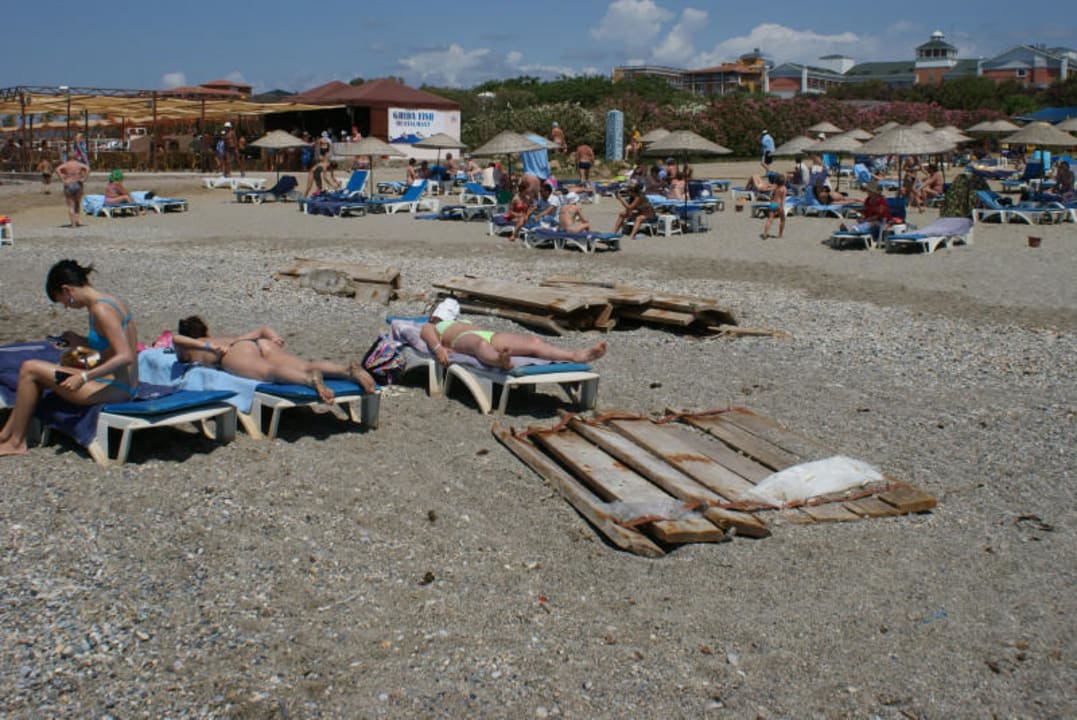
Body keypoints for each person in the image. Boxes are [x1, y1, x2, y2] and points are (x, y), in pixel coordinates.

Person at [0, 260, 139, 457]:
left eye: (63, 301)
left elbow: (125, 356)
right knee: (44, 369)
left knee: (30, 368)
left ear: (67, 290)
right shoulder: (107, 302)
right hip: (118, 382)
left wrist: (84, 377)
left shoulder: (101, 310)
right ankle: (7, 434)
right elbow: (111, 347)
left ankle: (15, 441)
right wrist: (79, 340)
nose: (66, 307)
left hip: (117, 388)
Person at [172, 316, 376, 400]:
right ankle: (344, 370)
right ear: (205, 330)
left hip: (234, 352)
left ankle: (308, 380)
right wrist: (273, 338)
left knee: (269, 373)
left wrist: (208, 346)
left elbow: (175, 338)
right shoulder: (216, 338)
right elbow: (262, 329)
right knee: (306, 364)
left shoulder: (188, 349)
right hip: (256, 343)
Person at [420, 298, 606, 371]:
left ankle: (574, 355)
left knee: (533, 341)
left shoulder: (461, 321)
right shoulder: (433, 326)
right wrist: (438, 349)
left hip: (488, 334)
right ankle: (500, 360)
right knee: (480, 346)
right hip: (459, 340)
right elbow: (426, 332)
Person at [54, 155, 90, 227]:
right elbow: (88, 168)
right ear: (75, 157)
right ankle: (77, 221)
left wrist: (62, 178)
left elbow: (57, 169)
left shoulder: (66, 164)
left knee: (71, 205)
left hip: (69, 183)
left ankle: (73, 224)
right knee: (77, 203)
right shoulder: (79, 164)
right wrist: (84, 178)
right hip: (78, 183)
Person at [761, 175, 787, 239]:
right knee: (782, 219)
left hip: (772, 204)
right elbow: (783, 199)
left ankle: (765, 233)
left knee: (770, 219)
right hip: (778, 205)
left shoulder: (775, 187)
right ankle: (780, 235)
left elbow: (770, 192)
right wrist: (782, 207)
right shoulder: (784, 188)